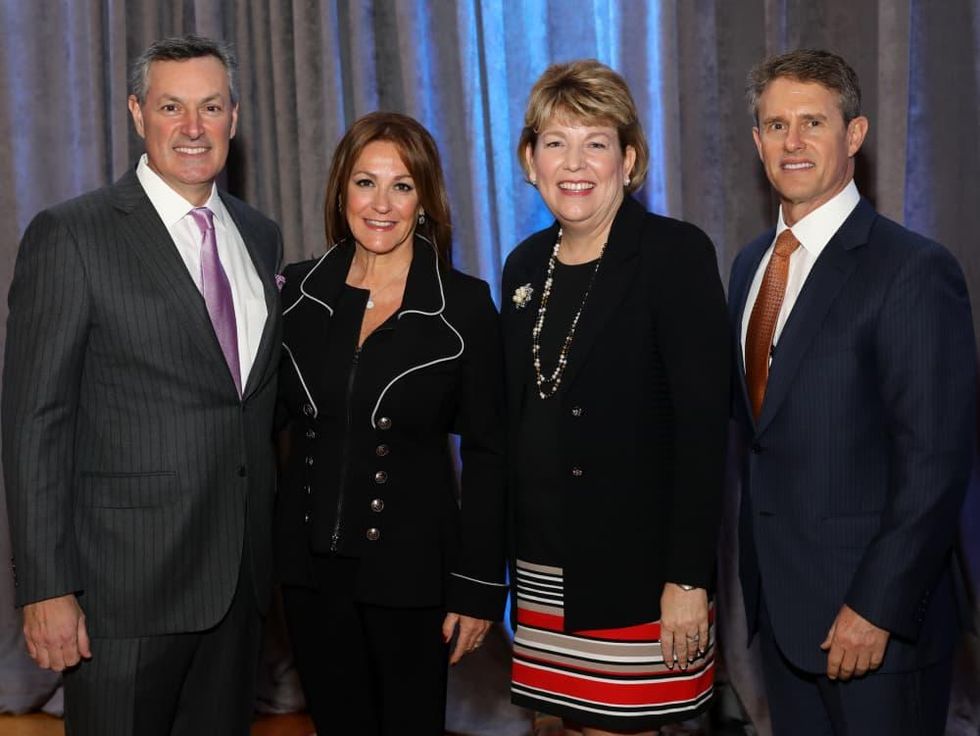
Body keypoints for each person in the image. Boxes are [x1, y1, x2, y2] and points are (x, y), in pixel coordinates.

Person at [1, 35, 282, 735]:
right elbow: (34, 421)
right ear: (137, 113)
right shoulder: (73, 235)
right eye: (171, 107)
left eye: (210, 107)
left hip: (238, 586)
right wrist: (46, 588)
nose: (193, 128)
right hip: (122, 598)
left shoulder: (259, 235)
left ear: (234, 118)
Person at [730, 49, 975, 735]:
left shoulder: (913, 272)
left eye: (814, 121)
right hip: (783, 619)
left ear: (856, 135)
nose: (794, 142)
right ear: (757, 142)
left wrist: (877, 608)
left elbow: (936, 463)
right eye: (776, 126)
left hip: (878, 631)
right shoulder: (750, 267)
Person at [502, 60, 731, 736]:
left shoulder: (674, 254)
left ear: (629, 159)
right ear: (529, 159)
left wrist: (688, 579)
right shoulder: (522, 266)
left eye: (595, 142)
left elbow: (702, 432)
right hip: (543, 566)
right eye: (554, 142)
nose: (574, 162)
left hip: (638, 569)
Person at [275, 111, 507, 734]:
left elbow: (490, 454)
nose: (382, 204)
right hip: (308, 569)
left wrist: (479, 587)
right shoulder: (296, 294)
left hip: (411, 571)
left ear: (424, 200)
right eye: (365, 182)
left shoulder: (463, 305)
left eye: (402, 186)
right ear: (340, 191)